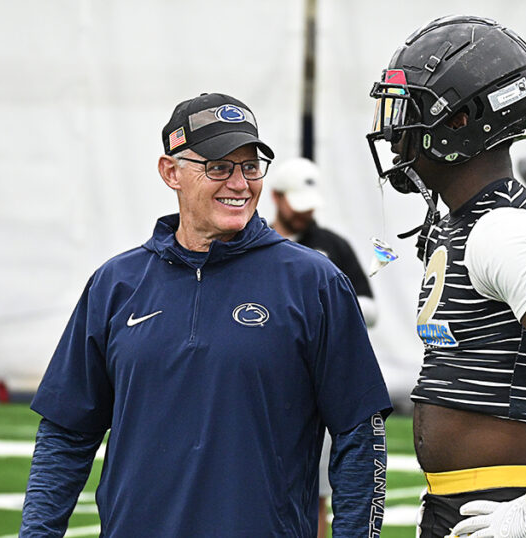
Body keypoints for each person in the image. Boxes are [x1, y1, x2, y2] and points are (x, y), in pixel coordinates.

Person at [20, 93, 392, 537]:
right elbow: (65, 435)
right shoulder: (115, 284)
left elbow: (359, 435)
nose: (239, 183)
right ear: (170, 172)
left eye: (250, 166)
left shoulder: (315, 282)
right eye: (218, 167)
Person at [366, 15, 526, 538]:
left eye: (409, 111)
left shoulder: (501, 228)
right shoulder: (465, 221)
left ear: (462, 120)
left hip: (514, 503)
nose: (394, 132)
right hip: (471, 502)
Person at [268, 157, 380, 537]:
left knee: (317, 490)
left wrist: (318, 310)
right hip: (265, 383)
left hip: (314, 384)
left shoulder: (331, 247)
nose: (304, 213)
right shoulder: (251, 245)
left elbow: (370, 307)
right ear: (277, 198)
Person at [269, 157, 378, 328]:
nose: (304, 212)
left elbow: (370, 311)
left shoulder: (334, 245)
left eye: (309, 206)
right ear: (276, 196)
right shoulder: (259, 246)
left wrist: (326, 306)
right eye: (298, 205)